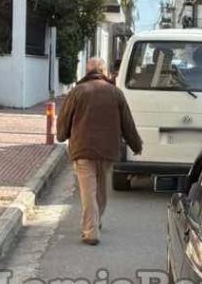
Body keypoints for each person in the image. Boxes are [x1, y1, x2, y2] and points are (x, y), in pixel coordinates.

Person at [56, 58, 143, 245]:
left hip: (83, 149)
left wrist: (61, 135)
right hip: (108, 150)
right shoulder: (116, 93)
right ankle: (96, 220)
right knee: (101, 189)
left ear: (87, 72)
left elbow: (64, 119)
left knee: (88, 191)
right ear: (104, 72)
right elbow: (127, 122)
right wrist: (136, 145)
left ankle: (91, 230)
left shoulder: (77, 92)